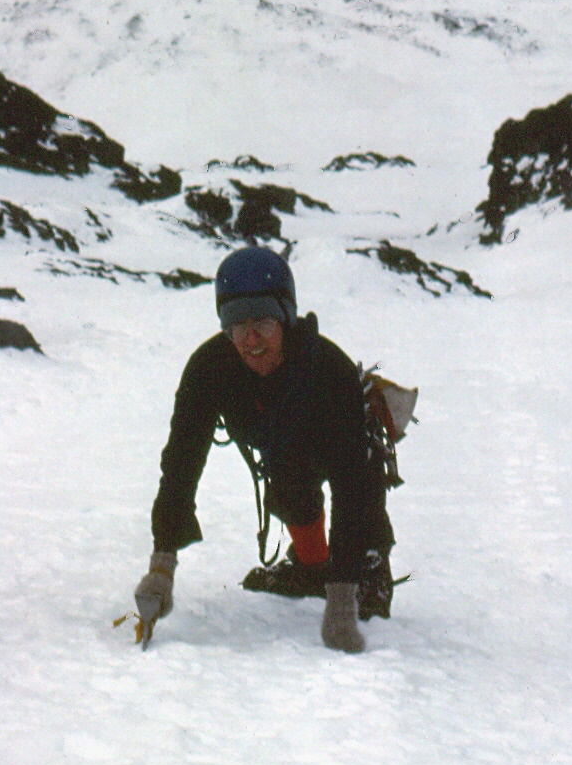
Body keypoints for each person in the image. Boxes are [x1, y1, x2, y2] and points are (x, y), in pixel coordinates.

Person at [134, 245, 395, 652]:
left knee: (360, 478)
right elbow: (180, 466)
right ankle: (312, 567)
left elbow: (351, 483)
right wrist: (161, 567)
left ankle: (370, 564)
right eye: (238, 327)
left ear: (286, 321)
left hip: (340, 447)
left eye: (263, 324)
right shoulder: (210, 369)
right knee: (287, 490)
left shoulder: (329, 371)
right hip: (285, 447)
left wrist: (341, 600)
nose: (251, 340)